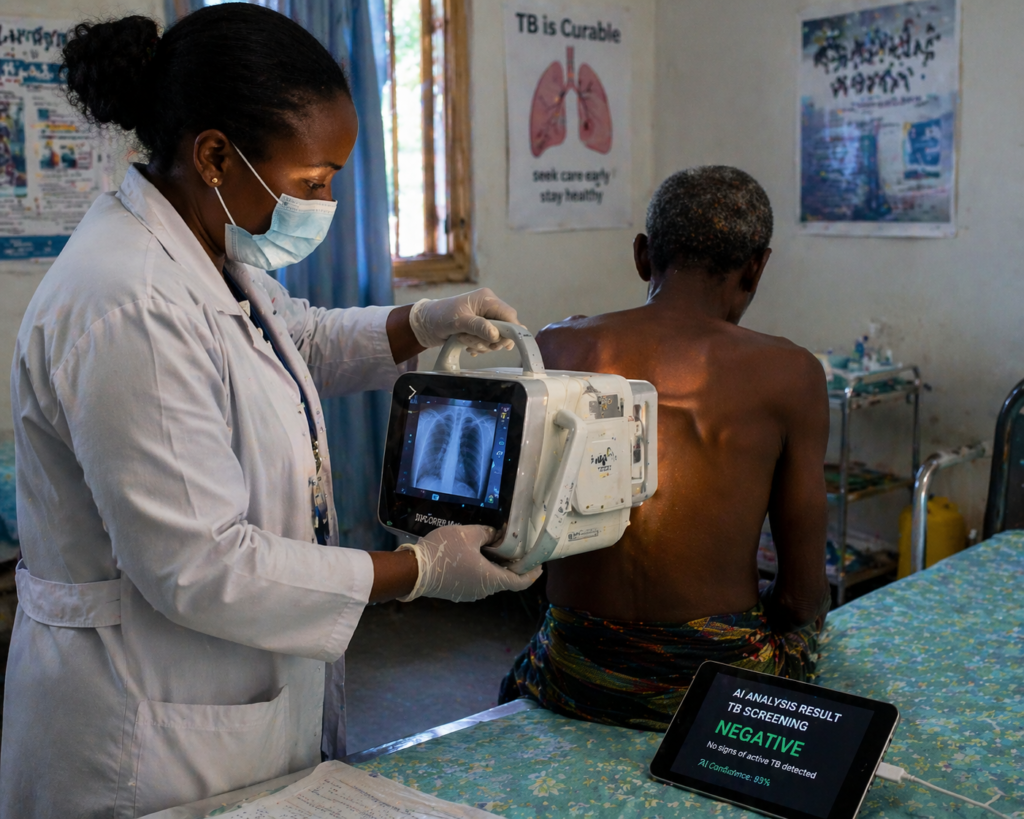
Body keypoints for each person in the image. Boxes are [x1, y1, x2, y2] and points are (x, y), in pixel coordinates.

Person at [0, 7, 540, 817]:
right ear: (215, 154)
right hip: (144, 732)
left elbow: (299, 341)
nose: (323, 203)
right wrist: (417, 571)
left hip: (225, 692)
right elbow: (202, 564)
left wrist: (423, 322)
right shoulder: (132, 304)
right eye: (312, 182)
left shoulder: (207, 248)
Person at [499, 166, 831, 731]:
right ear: (757, 268)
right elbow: (802, 600)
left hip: (577, 665)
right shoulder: (790, 373)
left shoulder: (557, 344)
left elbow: (519, 540)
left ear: (642, 255)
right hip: (715, 682)